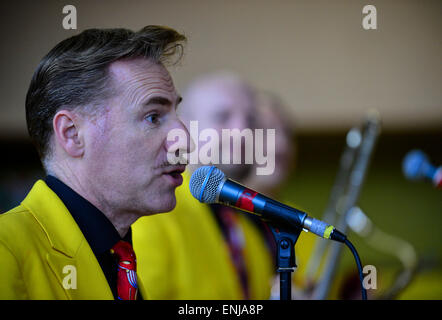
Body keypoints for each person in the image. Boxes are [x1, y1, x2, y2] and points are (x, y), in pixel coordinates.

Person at [0, 26, 189, 299]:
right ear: (72, 134)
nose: (183, 137)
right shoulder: (6, 250)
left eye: (175, 113)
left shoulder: (119, 257)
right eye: (153, 117)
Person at [133, 72, 274, 299]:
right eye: (222, 117)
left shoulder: (247, 227)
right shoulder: (151, 216)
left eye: (251, 120)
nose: (242, 131)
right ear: (184, 126)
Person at [244, 91, 317, 299]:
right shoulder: (217, 218)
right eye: (266, 132)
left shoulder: (307, 224)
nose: (282, 145)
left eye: (287, 133)